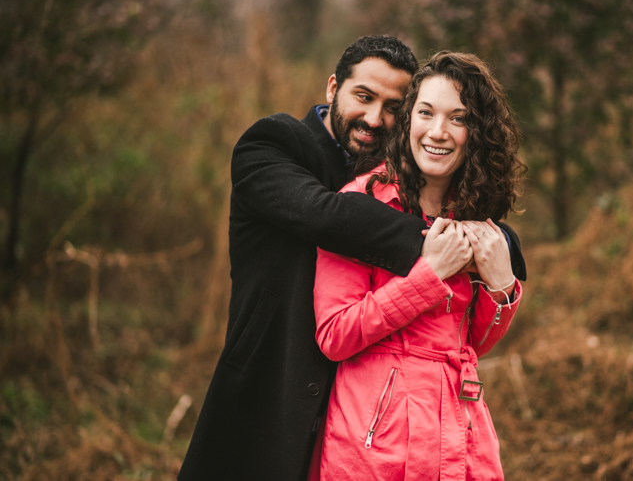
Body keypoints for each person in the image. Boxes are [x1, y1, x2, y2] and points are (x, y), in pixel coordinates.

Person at [178, 37, 527, 481]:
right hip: (273, 387)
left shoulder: (404, 170)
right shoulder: (273, 146)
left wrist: (497, 255)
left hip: (365, 406)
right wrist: (446, 249)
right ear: (332, 88)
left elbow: (467, 328)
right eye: (363, 97)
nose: (374, 118)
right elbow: (326, 215)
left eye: (393, 107)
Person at [313, 51, 526, 480]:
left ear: (477, 133)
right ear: (408, 119)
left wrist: (503, 288)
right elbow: (334, 335)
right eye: (426, 112)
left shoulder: (474, 214)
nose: (438, 132)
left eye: (458, 118)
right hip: (375, 444)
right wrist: (427, 277)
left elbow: (474, 343)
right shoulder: (360, 203)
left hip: (461, 436)